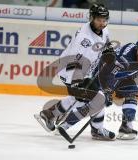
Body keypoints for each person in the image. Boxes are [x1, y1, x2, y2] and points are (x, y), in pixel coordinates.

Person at [57, 34, 138, 140]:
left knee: (132, 92)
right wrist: (106, 92)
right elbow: (108, 75)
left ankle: (126, 127)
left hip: (120, 77)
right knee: (97, 102)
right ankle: (66, 124)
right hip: (101, 76)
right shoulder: (124, 60)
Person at [35, 3, 116, 140]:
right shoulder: (84, 39)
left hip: (85, 70)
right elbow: (75, 61)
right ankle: (97, 130)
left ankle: (49, 114)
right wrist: (78, 83)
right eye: (99, 20)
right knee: (95, 99)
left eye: (104, 20)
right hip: (71, 71)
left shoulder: (104, 30)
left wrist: (109, 52)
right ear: (92, 18)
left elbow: (106, 44)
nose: (102, 23)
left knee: (83, 99)